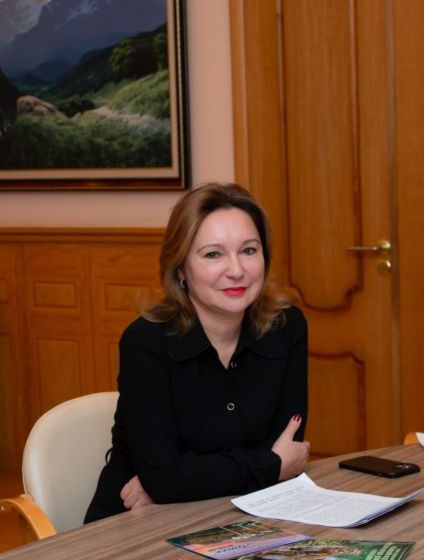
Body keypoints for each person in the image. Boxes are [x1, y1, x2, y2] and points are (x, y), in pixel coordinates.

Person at [84, 182, 310, 523]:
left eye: (249, 250)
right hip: (134, 523)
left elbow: (289, 445)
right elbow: (166, 477)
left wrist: (177, 482)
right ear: (180, 269)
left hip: (241, 518)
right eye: (213, 254)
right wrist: (270, 465)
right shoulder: (146, 342)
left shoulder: (286, 327)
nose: (236, 270)